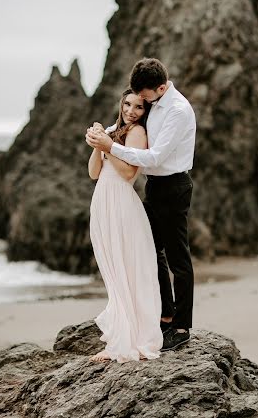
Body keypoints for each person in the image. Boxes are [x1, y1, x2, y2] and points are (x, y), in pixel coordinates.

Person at [91, 58, 196, 352]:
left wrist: (109, 147)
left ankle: (182, 326)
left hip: (174, 185)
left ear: (161, 87)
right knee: (150, 250)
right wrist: (101, 133)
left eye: (145, 97)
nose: (142, 104)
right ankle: (164, 314)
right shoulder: (154, 102)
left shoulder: (177, 111)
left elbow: (155, 158)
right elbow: (124, 123)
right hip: (154, 187)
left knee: (179, 258)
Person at [86, 88, 163, 363]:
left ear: (145, 112)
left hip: (122, 206)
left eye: (139, 107)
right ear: (121, 103)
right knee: (114, 272)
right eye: (128, 104)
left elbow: (129, 172)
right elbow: (94, 173)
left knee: (129, 269)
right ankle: (121, 335)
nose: (131, 110)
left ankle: (132, 340)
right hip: (103, 204)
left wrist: (107, 145)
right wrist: (98, 145)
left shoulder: (138, 133)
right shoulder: (113, 130)